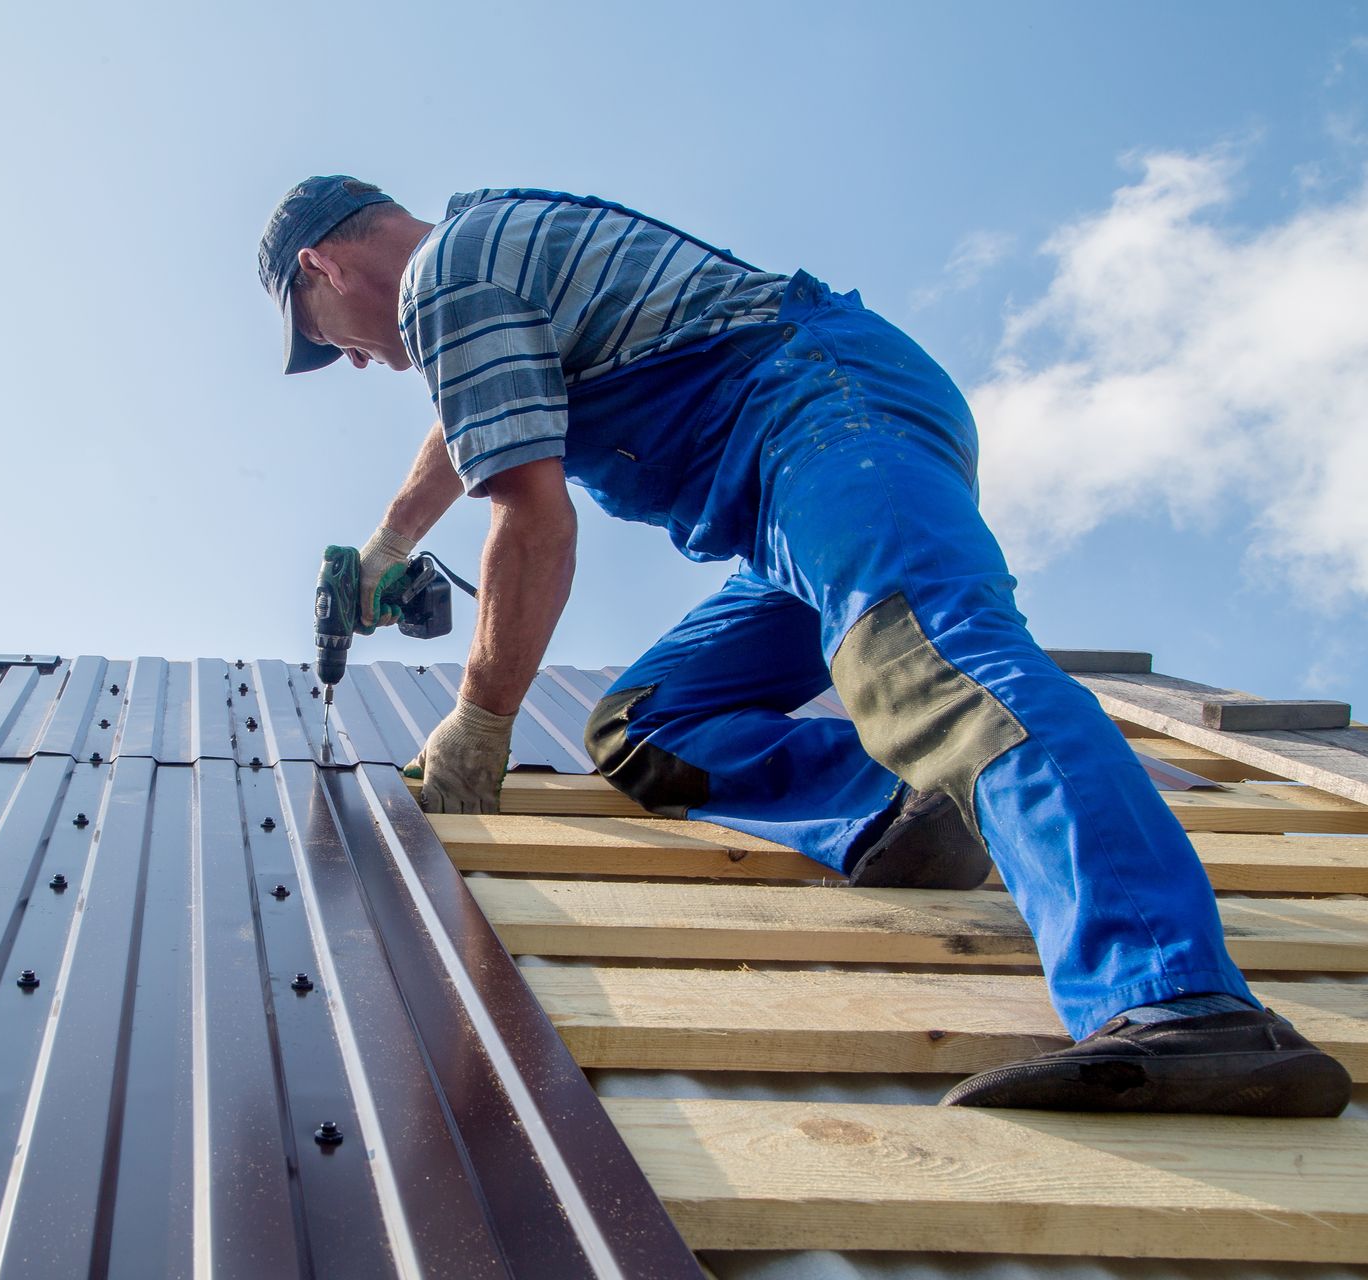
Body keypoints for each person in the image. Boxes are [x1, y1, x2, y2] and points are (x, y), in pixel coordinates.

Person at [257, 175, 1349, 1117]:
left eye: (321, 334)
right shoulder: (478, 277)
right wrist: (389, 540)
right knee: (645, 723)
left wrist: (481, 720)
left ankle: (1176, 998)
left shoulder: (448, 274)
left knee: (925, 658)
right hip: (787, 494)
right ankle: (898, 809)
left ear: (322, 263)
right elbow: (466, 424)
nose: (350, 362)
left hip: (822, 412)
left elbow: (534, 518)